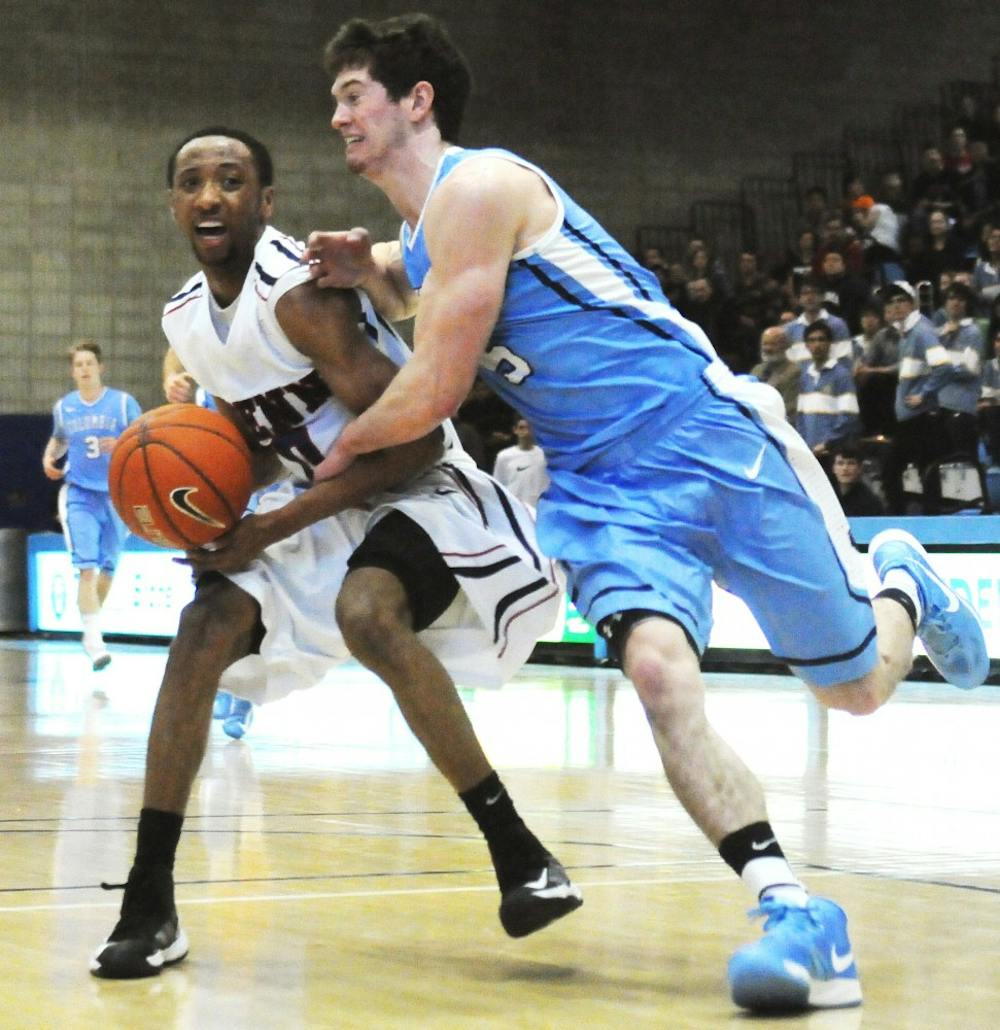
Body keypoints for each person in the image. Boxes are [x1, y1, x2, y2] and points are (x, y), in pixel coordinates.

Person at [304, 14, 990, 1015]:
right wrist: (370, 262)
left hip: (705, 436)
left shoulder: (483, 186)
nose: (335, 116)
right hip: (603, 489)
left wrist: (333, 458)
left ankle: (898, 576)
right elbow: (421, 278)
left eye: (351, 94)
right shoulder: (427, 229)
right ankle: (794, 913)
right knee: (658, 675)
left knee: (857, 690)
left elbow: (435, 385)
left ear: (416, 101)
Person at [89, 127, 580, 981]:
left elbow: (414, 445)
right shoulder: (183, 319)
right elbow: (262, 443)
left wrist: (269, 528)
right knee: (202, 627)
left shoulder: (299, 297)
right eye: (192, 183)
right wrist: (206, 520)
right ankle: (149, 897)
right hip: (328, 498)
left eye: (231, 181)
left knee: (368, 615)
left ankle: (519, 851)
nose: (210, 196)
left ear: (265, 202)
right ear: (173, 205)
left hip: (425, 488)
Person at [162, 345, 255, 740]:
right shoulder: (204, 396)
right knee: (208, 601)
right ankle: (224, 683)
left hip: (263, 504)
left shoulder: (263, 392)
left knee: (252, 601)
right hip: (213, 509)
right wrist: (170, 378)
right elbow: (175, 350)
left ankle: (245, 698)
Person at [41, 341, 141, 670]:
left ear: (101, 368)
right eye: (79, 364)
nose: (84, 368)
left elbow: (145, 438)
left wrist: (123, 442)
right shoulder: (65, 407)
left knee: (108, 570)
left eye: (89, 363)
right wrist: (48, 456)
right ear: (73, 372)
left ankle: (90, 630)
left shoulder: (123, 404)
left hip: (116, 494)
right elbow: (60, 438)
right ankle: (94, 639)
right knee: (86, 568)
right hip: (79, 493)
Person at [795, 320, 860, 469]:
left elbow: (849, 416)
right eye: (812, 340)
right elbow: (801, 417)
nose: (817, 344)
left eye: (821, 339)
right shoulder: (805, 376)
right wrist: (804, 444)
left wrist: (827, 443)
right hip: (809, 453)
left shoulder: (842, 375)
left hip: (833, 453)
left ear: (830, 343)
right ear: (806, 345)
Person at [492, 416, 550, 509]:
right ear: (515, 430)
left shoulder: (545, 455)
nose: (526, 432)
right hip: (515, 508)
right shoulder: (504, 456)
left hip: (539, 508)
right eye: (522, 428)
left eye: (529, 428)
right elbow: (498, 484)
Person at [749, 326, 799, 422]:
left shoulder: (793, 372)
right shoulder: (756, 370)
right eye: (765, 344)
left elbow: (789, 408)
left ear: (784, 346)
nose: (768, 348)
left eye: (773, 344)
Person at [830, 444, 886, 517]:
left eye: (851, 463)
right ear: (833, 468)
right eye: (840, 463)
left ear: (860, 468)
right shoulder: (824, 495)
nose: (845, 468)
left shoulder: (870, 501)